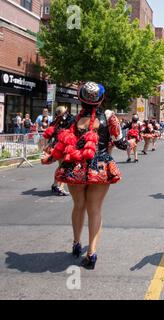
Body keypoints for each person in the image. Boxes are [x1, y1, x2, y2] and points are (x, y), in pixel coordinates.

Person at [49, 82, 128, 269]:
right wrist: (129, 143)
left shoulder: (71, 119)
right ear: (100, 99)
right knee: (95, 209)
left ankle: (76, 243)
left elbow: (60, 140)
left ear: (80, 98)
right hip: (99, 167)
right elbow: (121, 142)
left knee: (78, 206)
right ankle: (91, 252)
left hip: (76, 166)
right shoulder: (109, 117)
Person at [41, 106, 75, 196]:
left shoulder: (57, 122)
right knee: (64, 167)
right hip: (62, 146)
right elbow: (49, 134)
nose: (67, 114)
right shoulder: (60, 122)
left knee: (61, 166)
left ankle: (55, 184)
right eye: (65, 112)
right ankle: (60, 187)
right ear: (60, 113)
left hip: (60, 146)